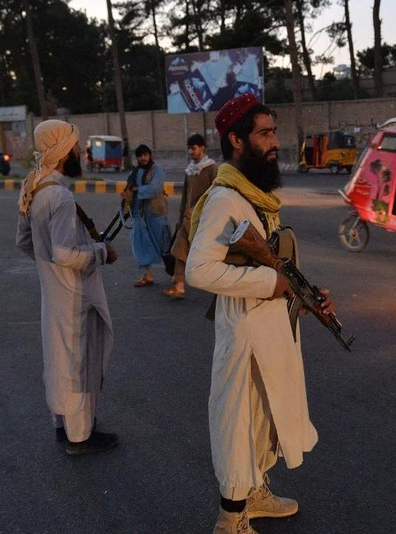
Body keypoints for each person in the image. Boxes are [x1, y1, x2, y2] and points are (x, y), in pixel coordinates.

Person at [185, 93, 335, 533]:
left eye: (274, 132)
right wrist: (270, 284)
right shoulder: (225, 199)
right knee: (237, 418)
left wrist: (304, 293)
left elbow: (274, 262)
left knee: (264, 417)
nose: (275, 142)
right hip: (246, 331)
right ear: (236, 139)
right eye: (265, 133)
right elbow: (198, 269)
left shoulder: (257, 198)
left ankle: (255, 493)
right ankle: (230, 520)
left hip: (271, 327)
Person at [15, 119, 119, 456]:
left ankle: (63, 425)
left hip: (53, 293)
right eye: (75, 146)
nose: (79, 151)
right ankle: (80, 436)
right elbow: (63, 252)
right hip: (73, 294)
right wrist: (101, 252)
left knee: (59, 359)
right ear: (62, 152)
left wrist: (48, 270)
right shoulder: (58, 195)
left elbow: (24, 242)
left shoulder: (34, 187)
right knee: (78, 360)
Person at [162, 134, 217, 299]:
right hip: (187, 219)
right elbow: (185, 196)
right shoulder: (190, 170)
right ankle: (179, 285)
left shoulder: (211, 168)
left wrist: (197, 208)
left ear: (202, 148)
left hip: (205, 219)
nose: (191, 152)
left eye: (193, 148)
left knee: (207, 253)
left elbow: (216, 192)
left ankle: (218, 284)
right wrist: (181, 216)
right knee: (181, 248)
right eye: (189, 149)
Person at [121, 144, 171, 287]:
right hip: (138, 214)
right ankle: (146, 275)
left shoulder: (157, 170)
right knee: (139, 244)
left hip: (156, 213)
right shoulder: (135, 172)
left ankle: (177, 276)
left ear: (150, 156)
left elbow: (154, 189)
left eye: (145, 155)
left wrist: (136, 190)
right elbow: (129, 191)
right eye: (140, 156)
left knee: (164, 246)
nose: (143, 158)